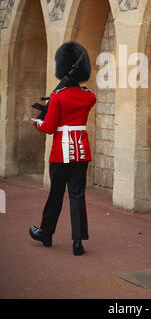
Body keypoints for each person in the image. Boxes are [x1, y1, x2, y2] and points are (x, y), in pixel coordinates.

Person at [29, 41, 96, 256]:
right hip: (82, 152)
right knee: (77, 195)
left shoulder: (58, 96)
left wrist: (37, 122)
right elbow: (80, 99)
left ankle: (46, 234)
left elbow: (49, 128)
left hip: (61, 153)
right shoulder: (89, 96)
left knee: (56, 195)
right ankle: (78, 242)